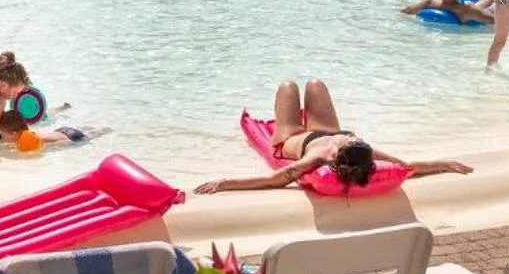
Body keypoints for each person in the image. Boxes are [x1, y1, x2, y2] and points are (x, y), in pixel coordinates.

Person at [194, 80, 471, 193]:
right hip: (325, 130)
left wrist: (225, 183)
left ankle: (289, 115)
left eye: (350, 140)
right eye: (353, 139)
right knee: (315, 84)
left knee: (288, 87)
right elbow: (405, 166)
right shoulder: (359, 149)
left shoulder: (319, 156)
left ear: (337, 153)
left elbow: (276, 179)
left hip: (292, 137)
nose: (352, 137)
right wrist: (442, 164)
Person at [0, 52, 93, 154]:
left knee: (29, 121)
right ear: (4, 86)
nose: (16, 96)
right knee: (37, 139)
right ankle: (81, 133)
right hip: (1, 133)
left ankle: (56, 111)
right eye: (15, 92)